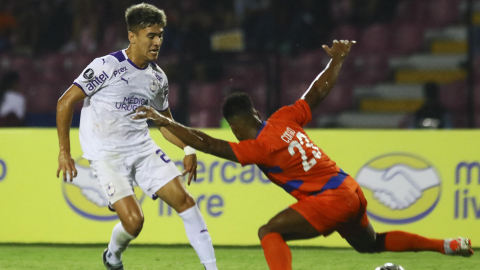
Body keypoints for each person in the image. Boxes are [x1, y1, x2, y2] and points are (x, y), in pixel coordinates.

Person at [133, 40, 474, 270]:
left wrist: (163, 120)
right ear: (255, 114)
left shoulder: (259, 147)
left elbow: (209, 144)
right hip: (350, 190)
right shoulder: (283, 117)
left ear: (237, 127)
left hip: (330, 200)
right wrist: (336, 59)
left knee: (269, 233)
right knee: (371, 245)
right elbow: (316, 93)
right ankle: (446, 245)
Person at [56, 3, 218, 270]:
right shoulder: (106, 66)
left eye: (161, 35)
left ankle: (212, 268)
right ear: (133, 36)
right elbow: (65, 102)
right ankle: (113, 256)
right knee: (134, 222)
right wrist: (64, 151)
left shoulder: (158, 78)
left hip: (141, 149)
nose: (157, 42)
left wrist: (188, 148)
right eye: (151, 36)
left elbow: (165, 124)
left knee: (186, 201)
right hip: (106, 156)